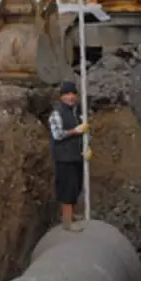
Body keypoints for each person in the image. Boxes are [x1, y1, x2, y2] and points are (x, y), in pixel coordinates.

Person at [48, 79, 90, 228]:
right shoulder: (57, 114)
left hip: (75, 156)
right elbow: (58, 134)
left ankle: (70, 214)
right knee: (67, 188)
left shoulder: (77, 112)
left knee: (76, 186)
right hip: (64, 158)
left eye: (73, 94)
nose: (71, 97)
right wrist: (75, 131)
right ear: (61, 97)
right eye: (67, 94)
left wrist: (87, 147)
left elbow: (85, 132)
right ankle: (67, 222)